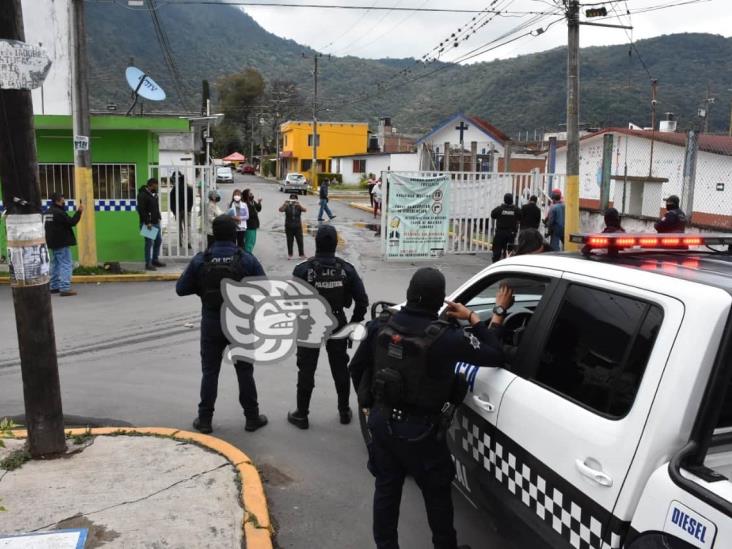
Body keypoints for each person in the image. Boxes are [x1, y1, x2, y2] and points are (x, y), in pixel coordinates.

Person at [350, 267, 513, 549]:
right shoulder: (447, 338)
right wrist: (479, 317)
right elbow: (495, 353)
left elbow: (356, 367)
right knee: (436, 495)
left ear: (409, 294)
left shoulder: (380, 325)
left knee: (386, 491)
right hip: (422, 434)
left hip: (383, 422)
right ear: (441, 302)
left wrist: (368, 406)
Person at [176, 215, 268, 434]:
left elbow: (181, 288)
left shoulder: (201, 259)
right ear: (234, 234)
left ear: (213, 235)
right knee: (244, 371)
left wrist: (202, 287)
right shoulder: (246, 258)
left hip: (211, 321)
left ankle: (205, 419)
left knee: (210, 372)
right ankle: (252, 417)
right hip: (240, 322)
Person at [288, 225, 369, 429]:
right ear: (335, 244)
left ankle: (302, 415)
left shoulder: (303, 269)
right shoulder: (346, 269)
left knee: (306, 369)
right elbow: (362, 301)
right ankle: (343, 411)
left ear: (316, 244)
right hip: (337, 321)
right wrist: (352, 324)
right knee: (340, 367)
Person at [44, 192, 84, 296]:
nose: (64, 201)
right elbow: (71, 222)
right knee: (66, 264)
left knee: (55, 264)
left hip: (52, 243)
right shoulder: (59, 213)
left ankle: (54, 286)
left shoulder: (47, 212)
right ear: (58, 200)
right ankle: (65, 288)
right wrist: (79, 212)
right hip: (61, 243)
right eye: (62, 199)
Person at [137, 177, 166, 271]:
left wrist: (158, 217)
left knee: (158, 240)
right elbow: (141, 210)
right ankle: (148, 263)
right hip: (148, 224)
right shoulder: (142, 194)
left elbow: (155, 207)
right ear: (152, 184)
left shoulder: (152, 194)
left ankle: (155, 259)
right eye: (156, 185)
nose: (157, 187)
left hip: (155, 222)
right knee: (149, 243)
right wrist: (147, 222)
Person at [490, 192, 521, 262]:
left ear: (504, 200)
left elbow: (492, 214)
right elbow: (521, 217)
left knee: (497, 251)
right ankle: (506, 265)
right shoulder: (516, 209)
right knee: (508, 252)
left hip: (500, 232)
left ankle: (495, 264)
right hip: (511, 233)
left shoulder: (500, 209)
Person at [169, 171, 194, 249]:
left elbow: (171, 202)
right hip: (185, 211)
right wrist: (188, 209)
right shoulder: (188, 188)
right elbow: (191, 200)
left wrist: (175, 211)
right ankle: (188, 242)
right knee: (187, 227)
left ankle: (181, 242)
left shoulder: (175, 189)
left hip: (179, 211)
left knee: (180, 227)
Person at [279, 193, 307, 259]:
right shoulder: (287, 206)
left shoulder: (298, 206)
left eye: (294, 199)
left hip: (298, 226)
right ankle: (290, 254)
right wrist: (284, 204)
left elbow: (305, 210)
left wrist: (299, 205)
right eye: (292, 199)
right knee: (289, 241)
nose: (293, 201)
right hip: (289, 226)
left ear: (297, 200)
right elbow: (280, 210)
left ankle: (301, 254)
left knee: (300, 240)